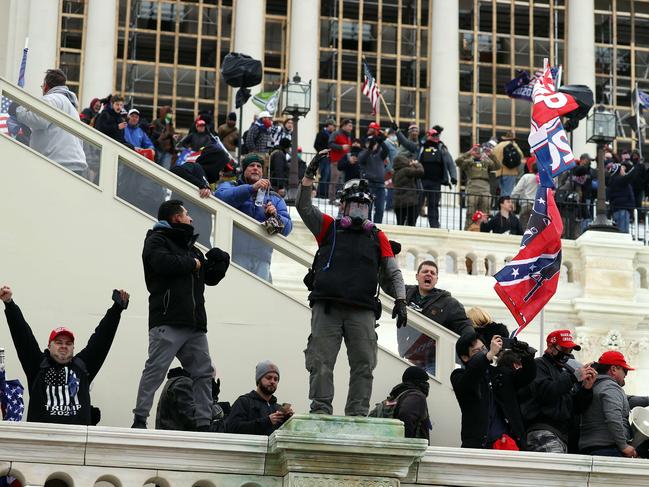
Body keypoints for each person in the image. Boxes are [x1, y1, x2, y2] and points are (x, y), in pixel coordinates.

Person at [297, 155, 407, 416]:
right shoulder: (329, 228)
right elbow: (303, 207)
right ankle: (320, 411)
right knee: (321, 362)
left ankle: (357, 414)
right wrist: (308, 178)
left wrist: (401, 300)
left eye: (363, 206)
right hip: (327, 307)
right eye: (354, 205)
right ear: (343, 206)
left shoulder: (377, 235)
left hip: (362, 310)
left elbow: (393, 271)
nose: (359, 210)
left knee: (364, 364)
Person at [132, 200, 230, 430]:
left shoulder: (191, 249)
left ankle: (204, 423)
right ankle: (139, 420)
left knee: (204, 373)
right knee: (155, 371)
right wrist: (193, 263)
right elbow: (162, 263)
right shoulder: (156, 240)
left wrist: (222, 260)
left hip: (194, 324)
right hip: (167, 320)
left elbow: (210, 277)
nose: (191, 218)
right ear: (175, 218)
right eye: (187, 214)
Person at [1, 285, 129, 425]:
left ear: (73, 348)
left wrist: (117, 309)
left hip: (77, 443)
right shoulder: (37, 366)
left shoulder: (82, 367)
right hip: (42, 442)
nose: (63, 346)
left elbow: (102, 338)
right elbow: (22, 336)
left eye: (68, 343)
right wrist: (9, 303)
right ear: (49, 346)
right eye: (58, 342)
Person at [451, 331, 536, 450]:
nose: (484, 352)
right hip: (478, 446)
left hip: (508, 443)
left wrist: (527, 356)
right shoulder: (459, 376)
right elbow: (470, 377)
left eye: (484, 348)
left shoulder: (500, 372)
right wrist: (489, 354)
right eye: (477, 351)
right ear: (465, 357)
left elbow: (527, 377)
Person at [215, 153, 293, 282]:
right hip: (234, 255)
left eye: (259, 166)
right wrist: (251, 189)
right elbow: (221, 197)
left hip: (262, 258)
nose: (255, 168)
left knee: (261, 298)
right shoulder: (231, 186)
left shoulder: (274, 197)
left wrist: (274, 216)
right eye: (251, 166)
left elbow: (287, 228)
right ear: (244, 170)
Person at [519, 329, 597, 453]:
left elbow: (576, 408)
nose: (567, 353)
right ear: (551, 347)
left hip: (563, 435)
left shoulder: (564, 370)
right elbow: (546, 393)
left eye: (570, 350)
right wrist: (572, 378)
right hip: (543, 431)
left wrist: (586, 388)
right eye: (564, 349)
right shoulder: (538, 365)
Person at [397, 261, 473, 375]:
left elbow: (463, 323)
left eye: (432, 273)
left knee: (431, 388)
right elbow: (387, 284)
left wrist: (470, 341)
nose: (429, 274)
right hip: (412, 356)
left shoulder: (447, 302)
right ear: (417, 276)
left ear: (436, 279)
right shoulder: (404, 292)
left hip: (434, 358)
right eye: (425, 271)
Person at [10, 68, 88, 177]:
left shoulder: (51, 99)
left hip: (58, 163)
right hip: (74, 163)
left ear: (46, 86)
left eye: (42, 87)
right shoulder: (70, 107)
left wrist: (17, 110)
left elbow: (38, 119)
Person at [578, 351, 649, 457]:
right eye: (625, 370)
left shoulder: (593, 386)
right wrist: (624, 446)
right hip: (607, 449)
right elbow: (613, 418)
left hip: (590, 447)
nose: (626, 374)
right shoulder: (610, 387)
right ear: (614, 369)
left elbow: (630, 400)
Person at [396, 126, 456, 228]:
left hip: (435, 183)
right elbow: (407, 143)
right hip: (421, 181)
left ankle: (434, 226)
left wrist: (453, 176)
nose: (436, 137)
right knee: (417, 204)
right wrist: (398, 132)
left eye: (437, 135)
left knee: (433, 205)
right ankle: (411, 224)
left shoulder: (441, 148)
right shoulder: (420, 147)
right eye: (434, 135)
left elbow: (450, 163)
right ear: (428, 136)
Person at [225, 360, 293, 435]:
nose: (272, 381)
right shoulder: (243, 402)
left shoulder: (277, 408)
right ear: (259, 379)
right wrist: (267, 421)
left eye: (276, 379)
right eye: (268, 378)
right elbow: (233, 428)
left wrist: (288, 420)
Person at [155, 366, 224, 432]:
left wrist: (211, 396)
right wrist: (218, 407)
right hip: (175, 442)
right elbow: (196, 419)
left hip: (173, 440)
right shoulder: (184, 383)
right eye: (210, 379)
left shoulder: (182, 382)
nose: (210, 384)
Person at [456, 142, 501, 230]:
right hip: (472, 187)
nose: (478, 151)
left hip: (485, 188)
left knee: (486, 212)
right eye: (476, 149)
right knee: (470, 212)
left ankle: (485, 231)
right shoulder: (469, 161)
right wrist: (469, 152)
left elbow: (497, 166)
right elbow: (458, 162)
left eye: (479, 149)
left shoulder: (486, 161)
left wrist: (491, 155)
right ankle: (468, 230)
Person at [380, 366, 431, 442]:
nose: (427, 385)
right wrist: (407, 444)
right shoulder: (417, 396)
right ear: (420, 382)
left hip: (390, 446)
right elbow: (405, 415)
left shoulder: (394, 399)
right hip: (411, 450)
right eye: (425, 382)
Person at [358, 135, 389, 223]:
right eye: (369, 143)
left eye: (373, 143)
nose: (372, 145)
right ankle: (367, 226)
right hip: (368, 185)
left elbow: (387, 150)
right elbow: (362, 159)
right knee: (368, 208)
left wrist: (381, 142)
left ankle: (378, 226)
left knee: (380, 209)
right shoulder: (363, 153)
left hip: (380, 185)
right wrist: (370, 149)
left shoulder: (380, 154)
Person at [392, 153, 424, 226]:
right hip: (410, 202)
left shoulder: (395, 173)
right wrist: (417, 164)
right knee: (411, 223)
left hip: (398, 203)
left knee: (400, 223)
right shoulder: (406, 170)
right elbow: (420, 172)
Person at [327, 119, 354, 203]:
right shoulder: (336, 133)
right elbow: (330, 144)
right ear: (344, 125)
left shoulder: (348, 136)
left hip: (345, 163)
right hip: (336, 161)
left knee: (343, 182)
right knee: (334, 181)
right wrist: (341, 147)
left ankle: (341, 199)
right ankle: (332, 199)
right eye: (349, 126)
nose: (351, 128)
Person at [606, 163, 635, 234]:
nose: (624, 170)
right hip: (622, 211)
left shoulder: (614, 180)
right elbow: (629, 176)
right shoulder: (619, 180)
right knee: (623, 234)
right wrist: (637, 166)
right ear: (618, 171)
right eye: (622, 168)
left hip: (619, 210)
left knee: (620, 233)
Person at [492, 132, 524, 197]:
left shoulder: (497, 146)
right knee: (508, 193)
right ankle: (506, 206)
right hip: (510, 172)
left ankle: (501, 206)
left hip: (498, 172)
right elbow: (521, 155)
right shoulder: (513, 145)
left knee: (502, 192)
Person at [511, 163, 539, 229]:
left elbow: (517, 190)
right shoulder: (544, 180)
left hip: (526, 204)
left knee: (523, 228)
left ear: (531, 169)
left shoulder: (526, 177)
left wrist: (512, 201)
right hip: (538, 207)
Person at [313, 119, 336, 199]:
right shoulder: (321, 133)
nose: (334, 128)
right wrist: (323, 152)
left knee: (328, 176)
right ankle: (321, 194)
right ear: (329, 125)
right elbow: (316, 145)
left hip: (329, 157)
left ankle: (325, 193)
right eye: (333, 126)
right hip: (324, 157)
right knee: (324, 175)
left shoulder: (330, 134)